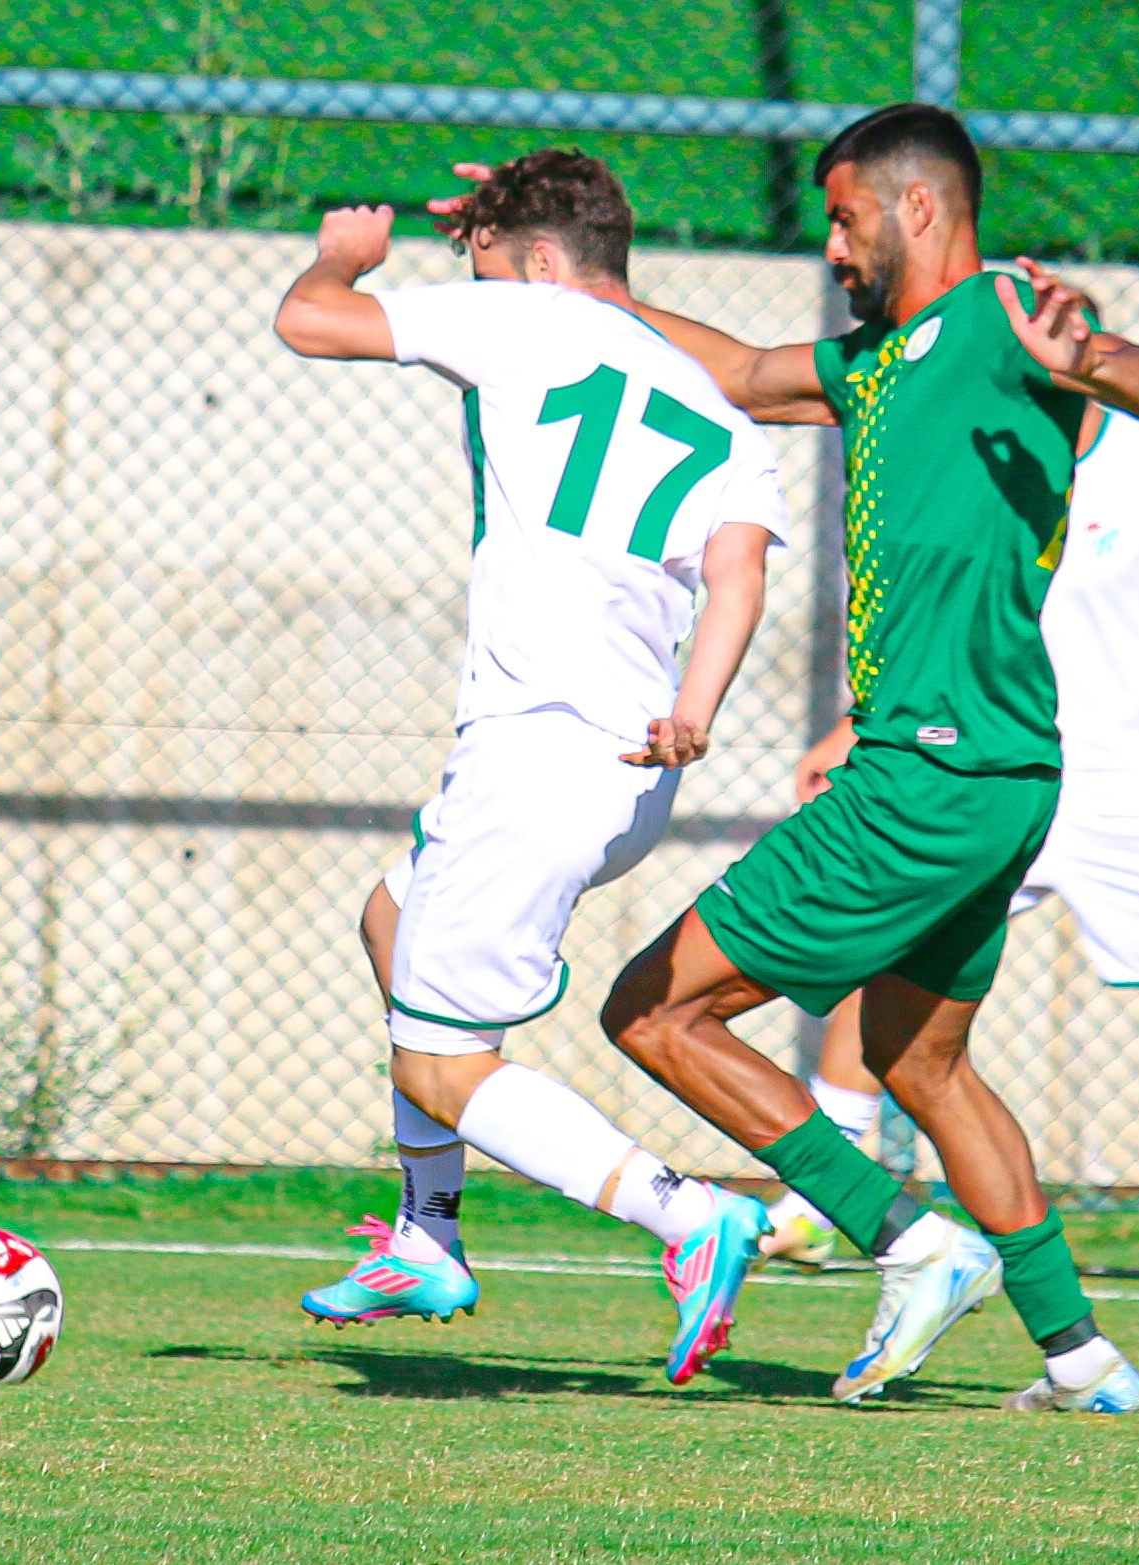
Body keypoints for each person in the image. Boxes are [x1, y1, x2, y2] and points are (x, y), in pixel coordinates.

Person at [597, 102, 1139, 1413]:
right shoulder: (879, 359)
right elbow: (747, 374)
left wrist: (1085, 356)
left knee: (651, 1008)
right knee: (922, 1063)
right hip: (1000, 774)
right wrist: (590, 300)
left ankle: (910, 1239)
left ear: (919, 207)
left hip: (923, 778)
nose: (832, 239)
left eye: (847, 212)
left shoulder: (998, 322)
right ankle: (1083, 1356)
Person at [272, 149, 790, 1385]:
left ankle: (687, 1213)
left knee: (442, 1061)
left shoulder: (529, 318)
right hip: (626, 761)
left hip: (537, 752)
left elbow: (311, 320)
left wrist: (351, 248)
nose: (478, 279)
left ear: (544, 266)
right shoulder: (715, 408)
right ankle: (426, 1236)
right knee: (393, 916)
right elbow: (738, 571)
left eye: (489, 258)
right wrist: (695, 709)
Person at [761, 396, 1139, 1299]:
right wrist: (853, 727)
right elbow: (940, 618)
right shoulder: (978, 457)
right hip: (1001, 765)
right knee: (888, 954)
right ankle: (813, 1203)